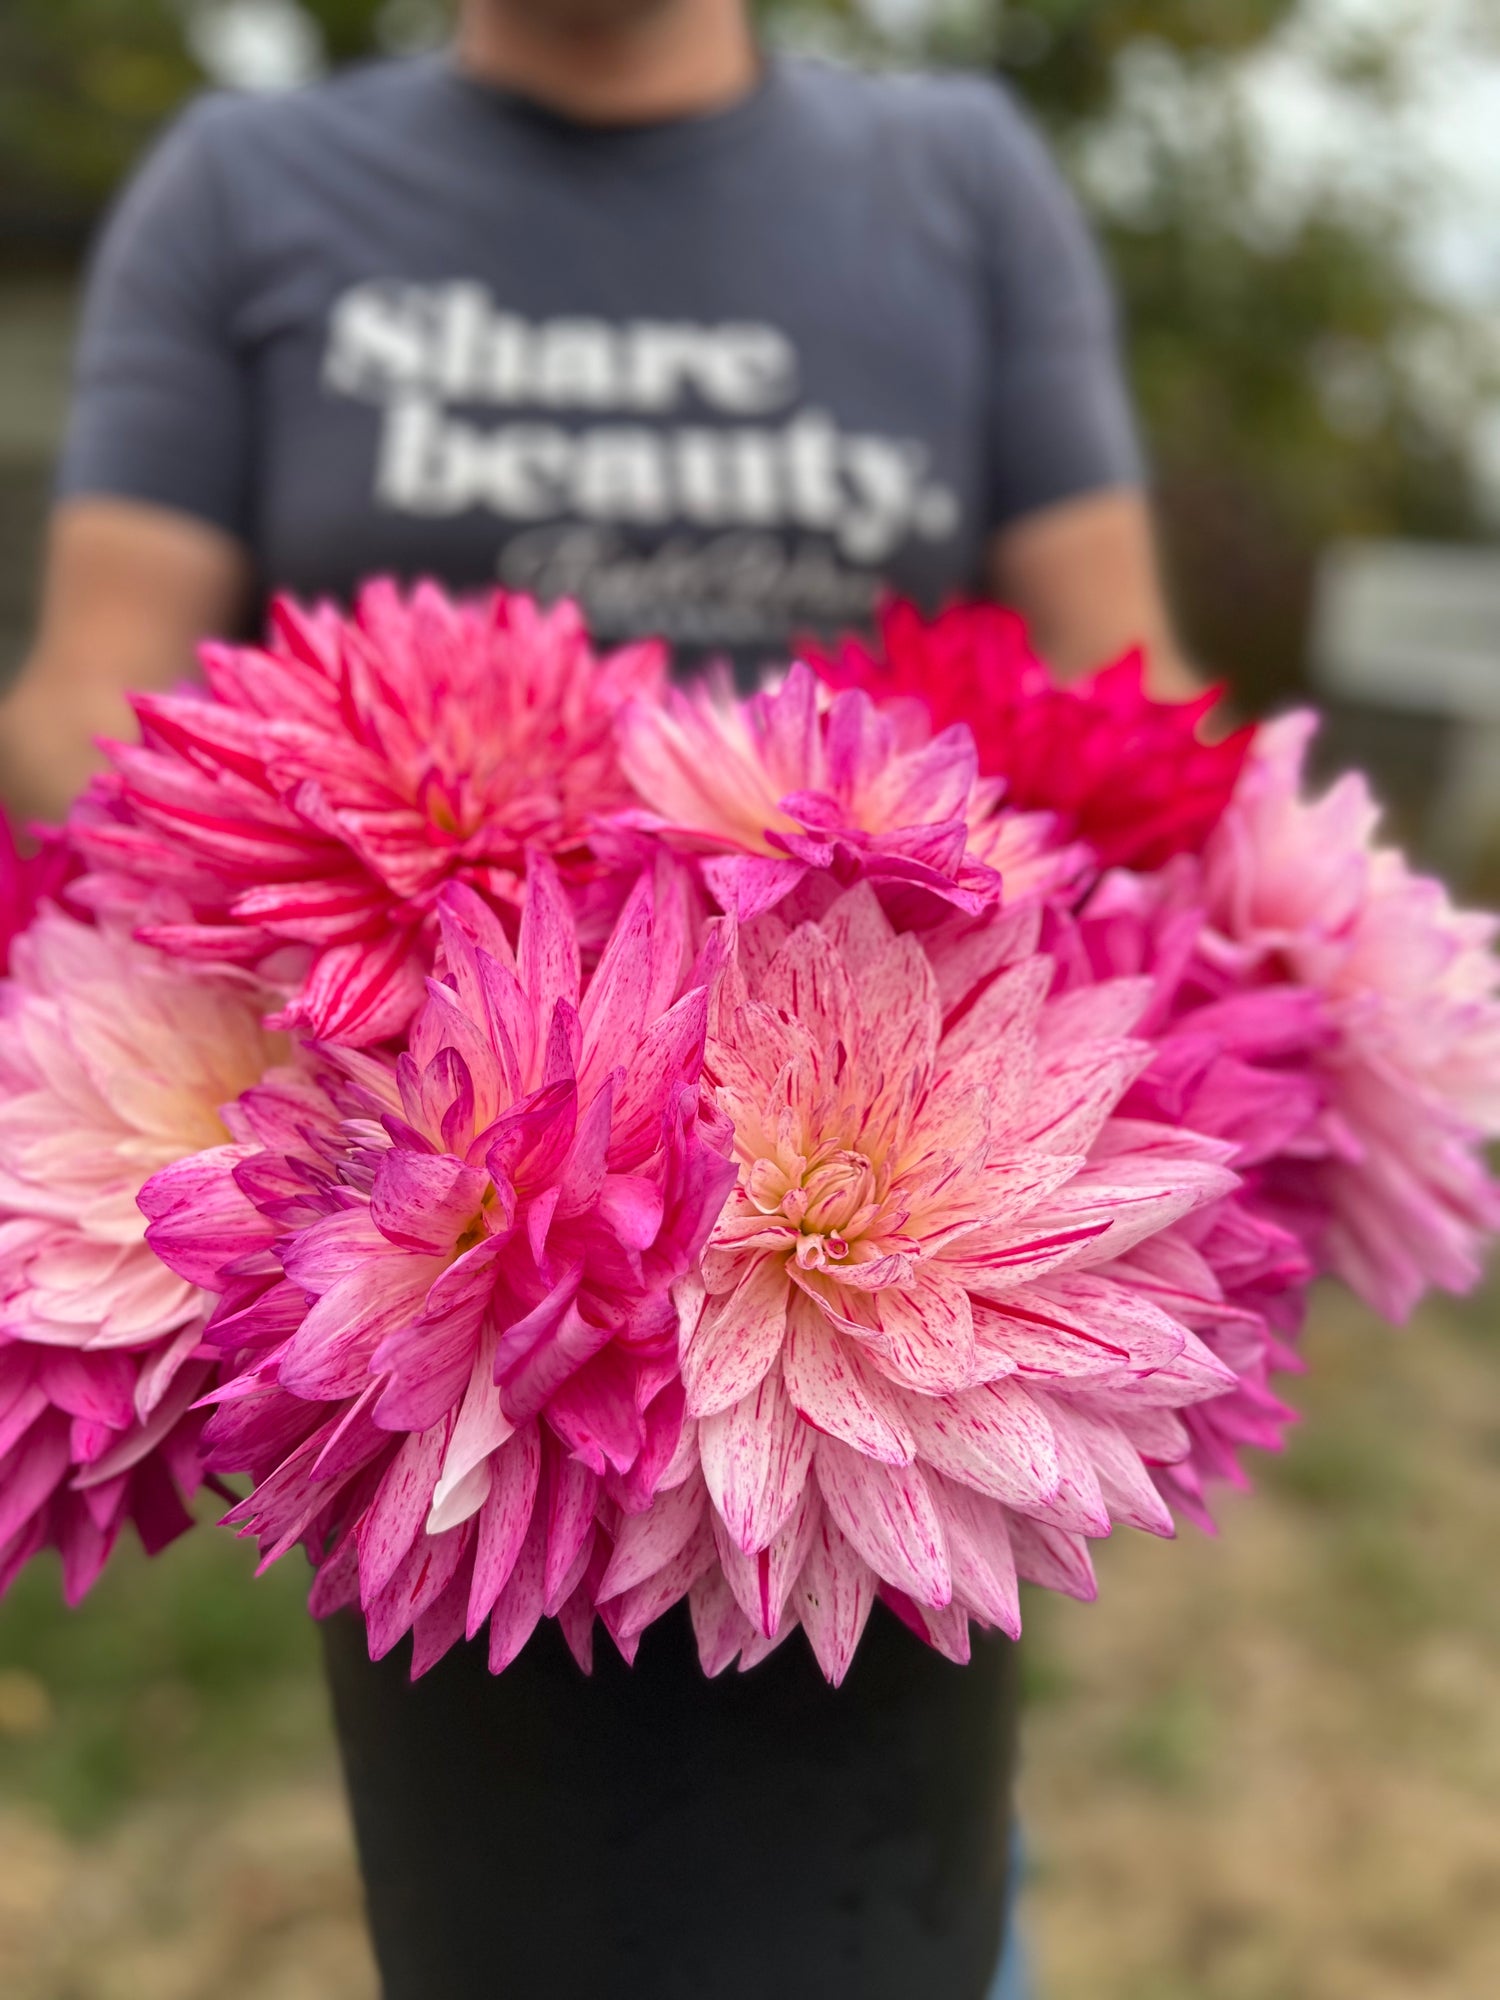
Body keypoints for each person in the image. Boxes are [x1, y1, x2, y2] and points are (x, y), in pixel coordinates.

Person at [1, 4, 1190, 1994]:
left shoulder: (961, 184)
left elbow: (1120, 696)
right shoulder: (247, 187)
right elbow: (83, 700)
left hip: (890, 1156)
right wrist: (249, 970)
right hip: (418, 1159)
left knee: (879, 1893)